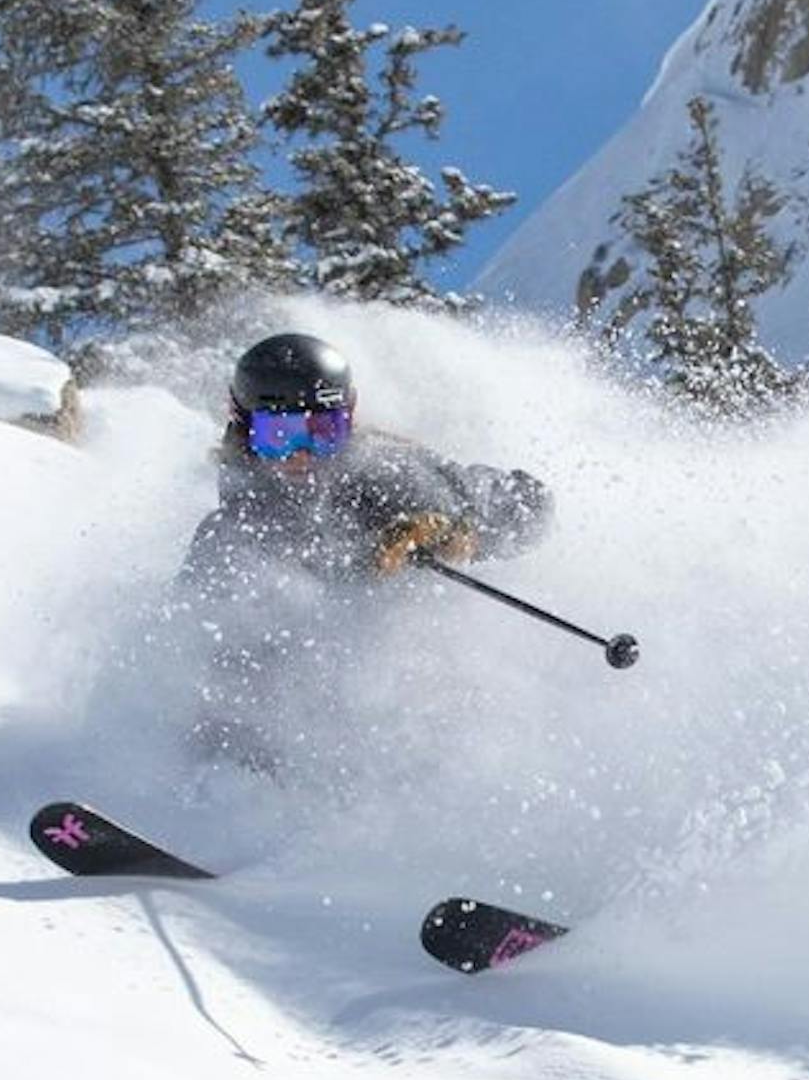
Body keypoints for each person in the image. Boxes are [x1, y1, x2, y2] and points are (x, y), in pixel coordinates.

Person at [173, 330, 551, 778]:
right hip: (302, 717)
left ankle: (414, 783)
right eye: (279, 434)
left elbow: (530, 503)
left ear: (347, 421)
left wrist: (461, 532)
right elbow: (186, 632)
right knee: (235, 639)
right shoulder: (232, 528)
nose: (302, 454)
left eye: (323, 432)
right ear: (244, 429)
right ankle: (225, 789)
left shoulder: (394, 475)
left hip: (407, 690)